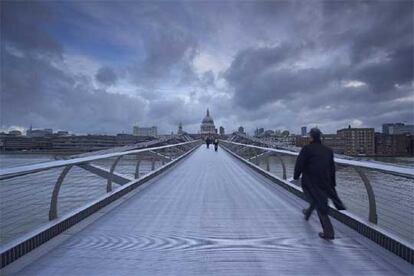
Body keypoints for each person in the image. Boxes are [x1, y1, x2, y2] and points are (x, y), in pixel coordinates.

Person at [294, 128, 345, 240]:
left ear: (311, 137)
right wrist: (332, 183)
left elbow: (300, 164)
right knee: (318, 198)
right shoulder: (328, 150)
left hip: (310, 181)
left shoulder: (306, 149)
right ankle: (308, 213)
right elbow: (332, 168)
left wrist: (296, 176)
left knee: (319, 202)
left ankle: (329, 232)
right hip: (325, 181)